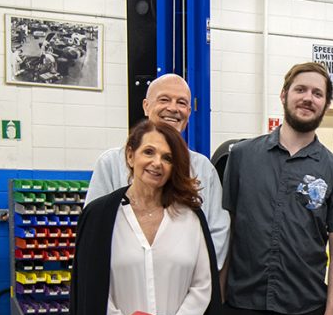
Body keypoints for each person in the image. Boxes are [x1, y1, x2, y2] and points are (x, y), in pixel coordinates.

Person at [70, 121, 219, 315]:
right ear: (129, 155)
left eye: (167, 158)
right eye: (148, 152)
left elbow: (203, 286)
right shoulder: (100, 217)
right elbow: (93, 290)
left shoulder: (190, 217)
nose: (157, 163)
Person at [220, 62, 333, 315]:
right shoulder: (242, 157)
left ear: (326, 104)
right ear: (284, 95)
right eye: (300, 89)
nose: (308, 98)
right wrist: (217, 305)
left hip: (305, 311)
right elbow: (226, 234)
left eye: (317, 93)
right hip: (242, 309)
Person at [85, 73, 229, 268]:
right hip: (124, 282)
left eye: (181, 102)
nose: (172, 108)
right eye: (164, 99)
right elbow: (93, 229)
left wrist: (198, 277)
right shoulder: (111, 163)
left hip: (185, 285)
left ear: (188, 112)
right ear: (146, 106)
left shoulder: (203, 168)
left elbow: (218, 231)